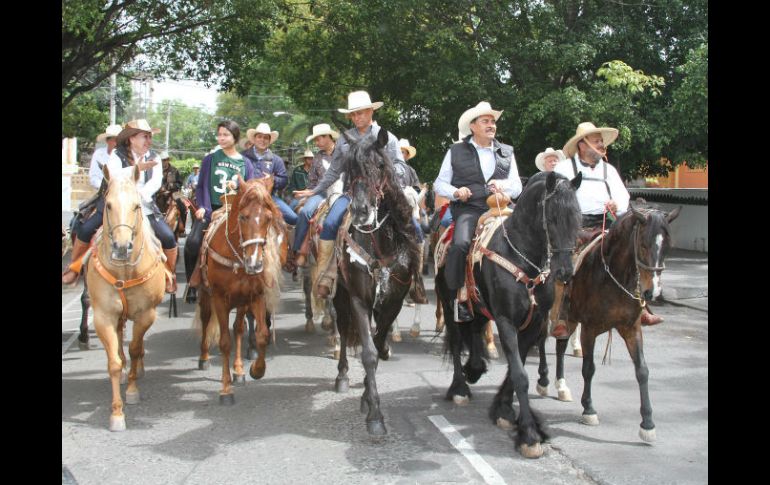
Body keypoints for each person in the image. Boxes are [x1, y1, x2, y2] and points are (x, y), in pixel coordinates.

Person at [292, 91, 405, 297]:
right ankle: (326, 274)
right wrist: (314, 191)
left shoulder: (386, 137)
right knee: (330, 222)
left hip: (382, 193)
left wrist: (390, 176)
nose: (357, 117)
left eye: (361, 112)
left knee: (410, 222)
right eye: (353, 114)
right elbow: (334, 171)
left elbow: (400, 165)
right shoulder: (345, 140)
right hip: (352, 193)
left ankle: (412, 276)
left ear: (371, 111)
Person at [551, 121, 661, 332]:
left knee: (631, 255)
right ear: (582, 145)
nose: (601, 145)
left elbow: (623, 196)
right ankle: (562, 315)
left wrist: (616, 204)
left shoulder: (608, 170)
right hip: (574, 226)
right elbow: (556, 199)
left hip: (605, 224)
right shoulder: (564, 168)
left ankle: (641, 308)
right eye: (596, 141)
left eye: (601, 141)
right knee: (567, 264)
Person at [62, 119, 179, 294]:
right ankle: (74, 267)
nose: (148, 140)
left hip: (142, 204)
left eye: (149, 137)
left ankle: (169, 273)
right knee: (86, 228)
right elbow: (113, 175)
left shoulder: (154, 156)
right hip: (116, 202)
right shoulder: (117, 155)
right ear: (131, 139)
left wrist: (138, 197)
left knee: (168, 236)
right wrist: (136, 168)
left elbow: (155, 182)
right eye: (144, 137)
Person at [433, 101, 522, 322]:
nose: (491, 125)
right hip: (470, 209)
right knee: (461, 244)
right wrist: (456, 192)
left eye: (493, 121)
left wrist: (504, 187)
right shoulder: (455, 150)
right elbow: (439, 183)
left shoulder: (506, 152)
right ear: (473, 126)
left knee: (528, 240)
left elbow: (517, 185)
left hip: (501, 209)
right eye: (485, 121)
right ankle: (459, 299)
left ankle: (530, 294)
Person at [184, 120, 256, 302]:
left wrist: (239, 185)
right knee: (192, 243)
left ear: (235, 138)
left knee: (258, 239)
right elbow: (201, 187)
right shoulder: (210, 159)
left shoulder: (245, 163)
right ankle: (192, 283)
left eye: (226, 135)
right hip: (212, 209)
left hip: (237, 212)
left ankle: (260, 279)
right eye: (220, 134)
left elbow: (251, 190)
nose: (221, 138)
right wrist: (202, 207)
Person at [292, 123, 339, 268]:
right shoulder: (317, 158)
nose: (316, 143)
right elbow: (312, 181)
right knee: (305, 212)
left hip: (342, 192)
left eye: (318, 139)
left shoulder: (343, 153)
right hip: (320, 193)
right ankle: (299, 249)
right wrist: (307, 193)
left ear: (328, 137)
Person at [241, 123, 298, 226]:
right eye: (259, 137)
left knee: (293, 218)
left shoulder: (276, 160)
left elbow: (284, 181)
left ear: (269, 140)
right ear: (254, 139)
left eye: (266, 138)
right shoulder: (242, 157)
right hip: (245, 197)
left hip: (269, 197)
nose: (262, 140)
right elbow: (236, 175)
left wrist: (273, 179)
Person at [155, 151, 187, 231]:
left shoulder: (174, 170)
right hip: (159, 193)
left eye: (165, 160)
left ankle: (182, 228)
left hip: (174, 192)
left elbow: (180, 183)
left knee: (183, 206)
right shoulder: (156, 171)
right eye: (162, 160)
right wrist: (160, 189)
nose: (164, 161)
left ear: (168, 160)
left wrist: (171, 187)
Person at [88, 124, 122, 189]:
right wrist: (106, 187)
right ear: (107, 141)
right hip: (102, 191)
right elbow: (94, 177)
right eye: (115, 140)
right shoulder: (99, 154)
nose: (117, 143)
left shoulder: (125, 155)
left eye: (120, 140)